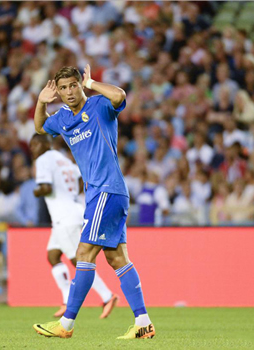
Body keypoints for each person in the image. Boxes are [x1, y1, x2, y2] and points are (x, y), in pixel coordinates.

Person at [33, 65, 155, 339]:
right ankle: (143, 322)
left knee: (84, 254)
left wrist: (93, 83)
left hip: (107, 190)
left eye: (73, 85)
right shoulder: (63, 118)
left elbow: (120, 96)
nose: (68, 92)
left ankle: (65, 325)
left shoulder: (100, 105)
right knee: (117, 258)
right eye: (63, 88)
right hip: (101, 194)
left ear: (79, 85)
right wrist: (41, 101)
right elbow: (40, 126)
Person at [29, 133, 119, 319]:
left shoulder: (43, 160)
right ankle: (66, 299)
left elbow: (45, 188)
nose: (32, 149)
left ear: (43, 143)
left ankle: (107, 296)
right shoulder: (63, 158)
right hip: (71, 211)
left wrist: (36, 192)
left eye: (34, 145)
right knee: (53, 255)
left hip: (64, 217)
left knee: (78, 261)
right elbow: (80, 181)